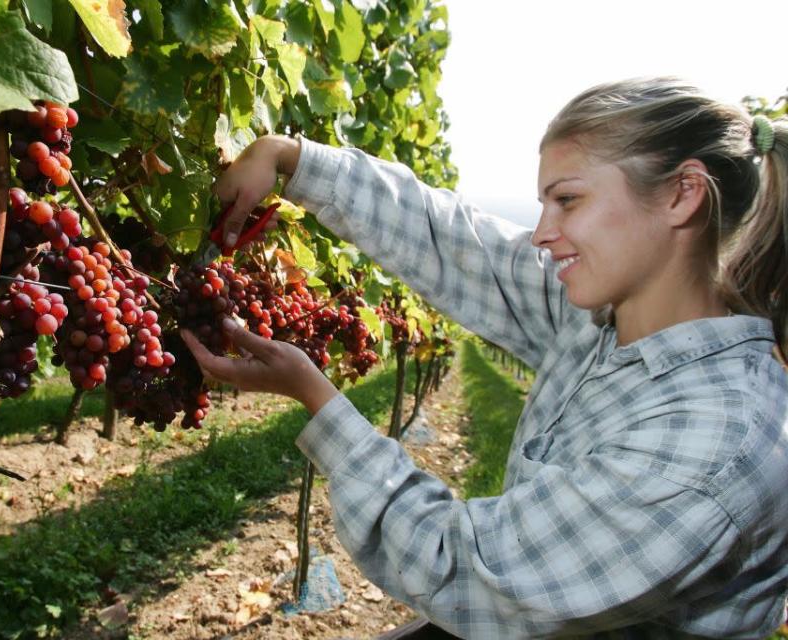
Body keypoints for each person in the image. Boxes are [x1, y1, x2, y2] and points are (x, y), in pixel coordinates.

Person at [180, 77, 788, 638]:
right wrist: (293, 159)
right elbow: (460, 244)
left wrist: (319, 400)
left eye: (568, 200)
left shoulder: (716, 443)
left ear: (683, 194)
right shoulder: (607, 319)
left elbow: (469, 572)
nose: (542, 233)